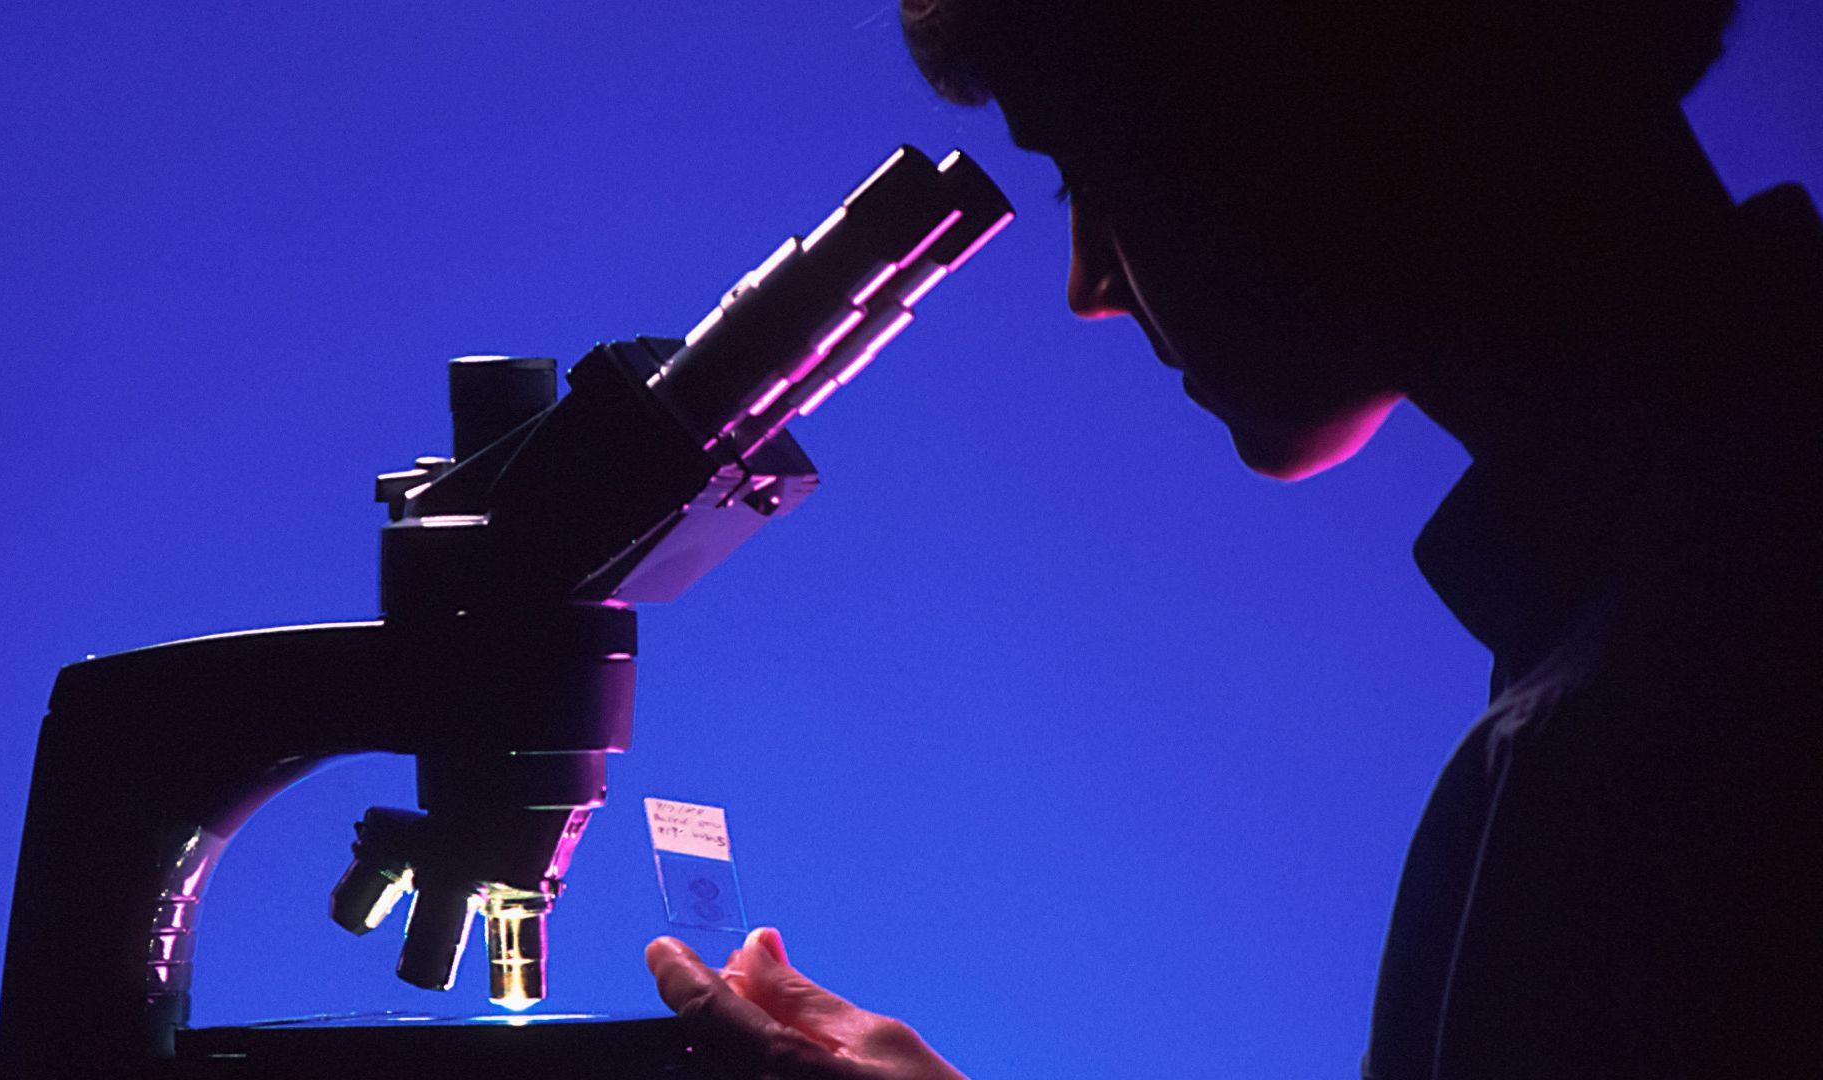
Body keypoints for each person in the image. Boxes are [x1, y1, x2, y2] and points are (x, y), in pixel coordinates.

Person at [646, 0, 1823, 1075]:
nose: (1090, 282)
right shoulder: (1707, 553)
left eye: (1094, 176)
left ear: (1325, 106)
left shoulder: (1642, 731)